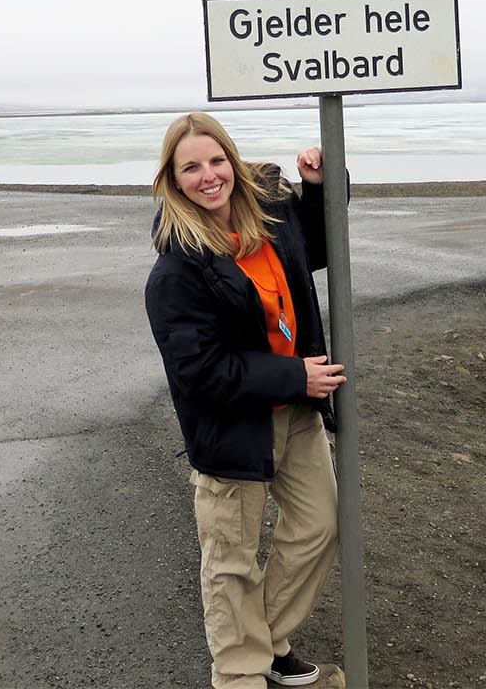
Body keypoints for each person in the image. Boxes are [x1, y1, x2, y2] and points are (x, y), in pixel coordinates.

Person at [144, 113, 341, 689]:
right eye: (191, 167)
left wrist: (321, 186)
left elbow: (320, 247)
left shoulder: (270, 223)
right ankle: (240, 676)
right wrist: (292, 377)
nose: (209, 176)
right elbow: (199, 372)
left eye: (216, 160)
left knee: (317, 528)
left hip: (296, 417)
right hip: (231, 429)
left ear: (232, 160)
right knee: (230, 562)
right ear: (173, 180)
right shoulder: (175, 271)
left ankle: (266, 642)